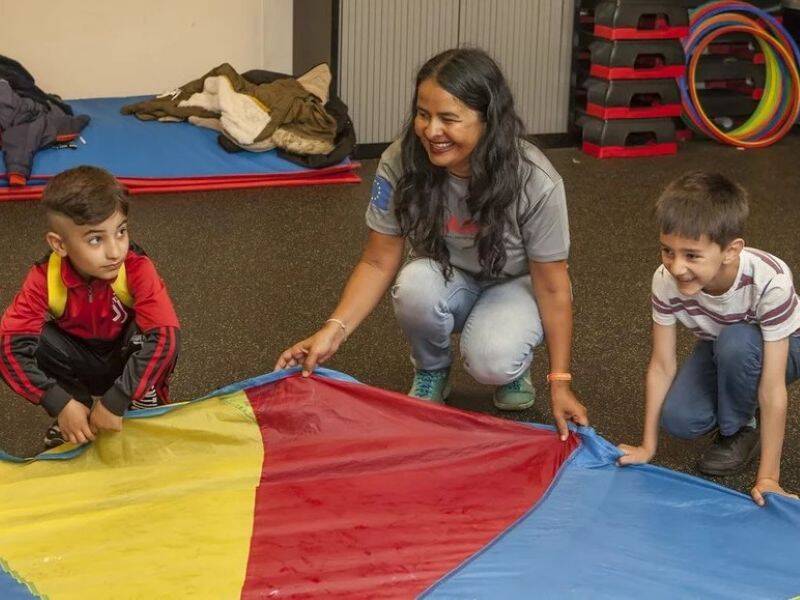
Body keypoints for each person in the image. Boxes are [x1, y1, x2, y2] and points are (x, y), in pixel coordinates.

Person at [275, 48, 588, 440]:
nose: (431, 131)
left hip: (516, 284)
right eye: (423, 114)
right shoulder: (401, 160)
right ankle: (431, 369)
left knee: (492, 359)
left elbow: (553, 286)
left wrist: (559, 380)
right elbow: (377, 261)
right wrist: (332, 331)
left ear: (488, 120)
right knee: (414, 285)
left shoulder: (536, 180)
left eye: (449, 119)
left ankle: (513, 362)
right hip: (448, 274)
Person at [618, 171, 800, 506]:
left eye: (692, 255)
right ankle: (740, 400)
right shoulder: (665, 281)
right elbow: (661, 364)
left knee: (737, 343)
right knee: (680, 419)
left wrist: (769, 479)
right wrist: (647, 445)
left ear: (731, 251)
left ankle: (741, 428)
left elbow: (772, 386)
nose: (676, 267)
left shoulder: (769, 281)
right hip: (723, 344)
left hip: (785, 345)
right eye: (667, 251)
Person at [0, 166, 181, 448]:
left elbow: (167, 339)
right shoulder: (44, 278)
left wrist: (117, 399)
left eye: (120, 232)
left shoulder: (135, 267)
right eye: (96, 239)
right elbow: (8, 349)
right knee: (38, 339)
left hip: (126, 360)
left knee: (153, 332)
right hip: (81, 361)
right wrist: (59, 403)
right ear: (59, 244)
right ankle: (77, 413)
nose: (115, 251)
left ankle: (144, 402)